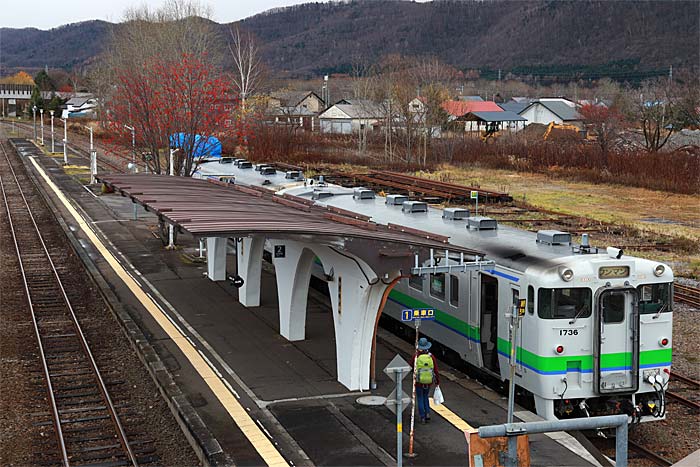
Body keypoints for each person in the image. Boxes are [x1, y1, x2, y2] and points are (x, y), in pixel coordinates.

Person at [414, 337, 440, 423]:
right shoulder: (431, 357)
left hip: (418, 382)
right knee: (426, 396)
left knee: (420, 398)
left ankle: (422, 417)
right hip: (429, 382)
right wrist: (437, 382)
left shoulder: (416, 356)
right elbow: (436, 370)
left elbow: (410, 366)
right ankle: (427, 413)